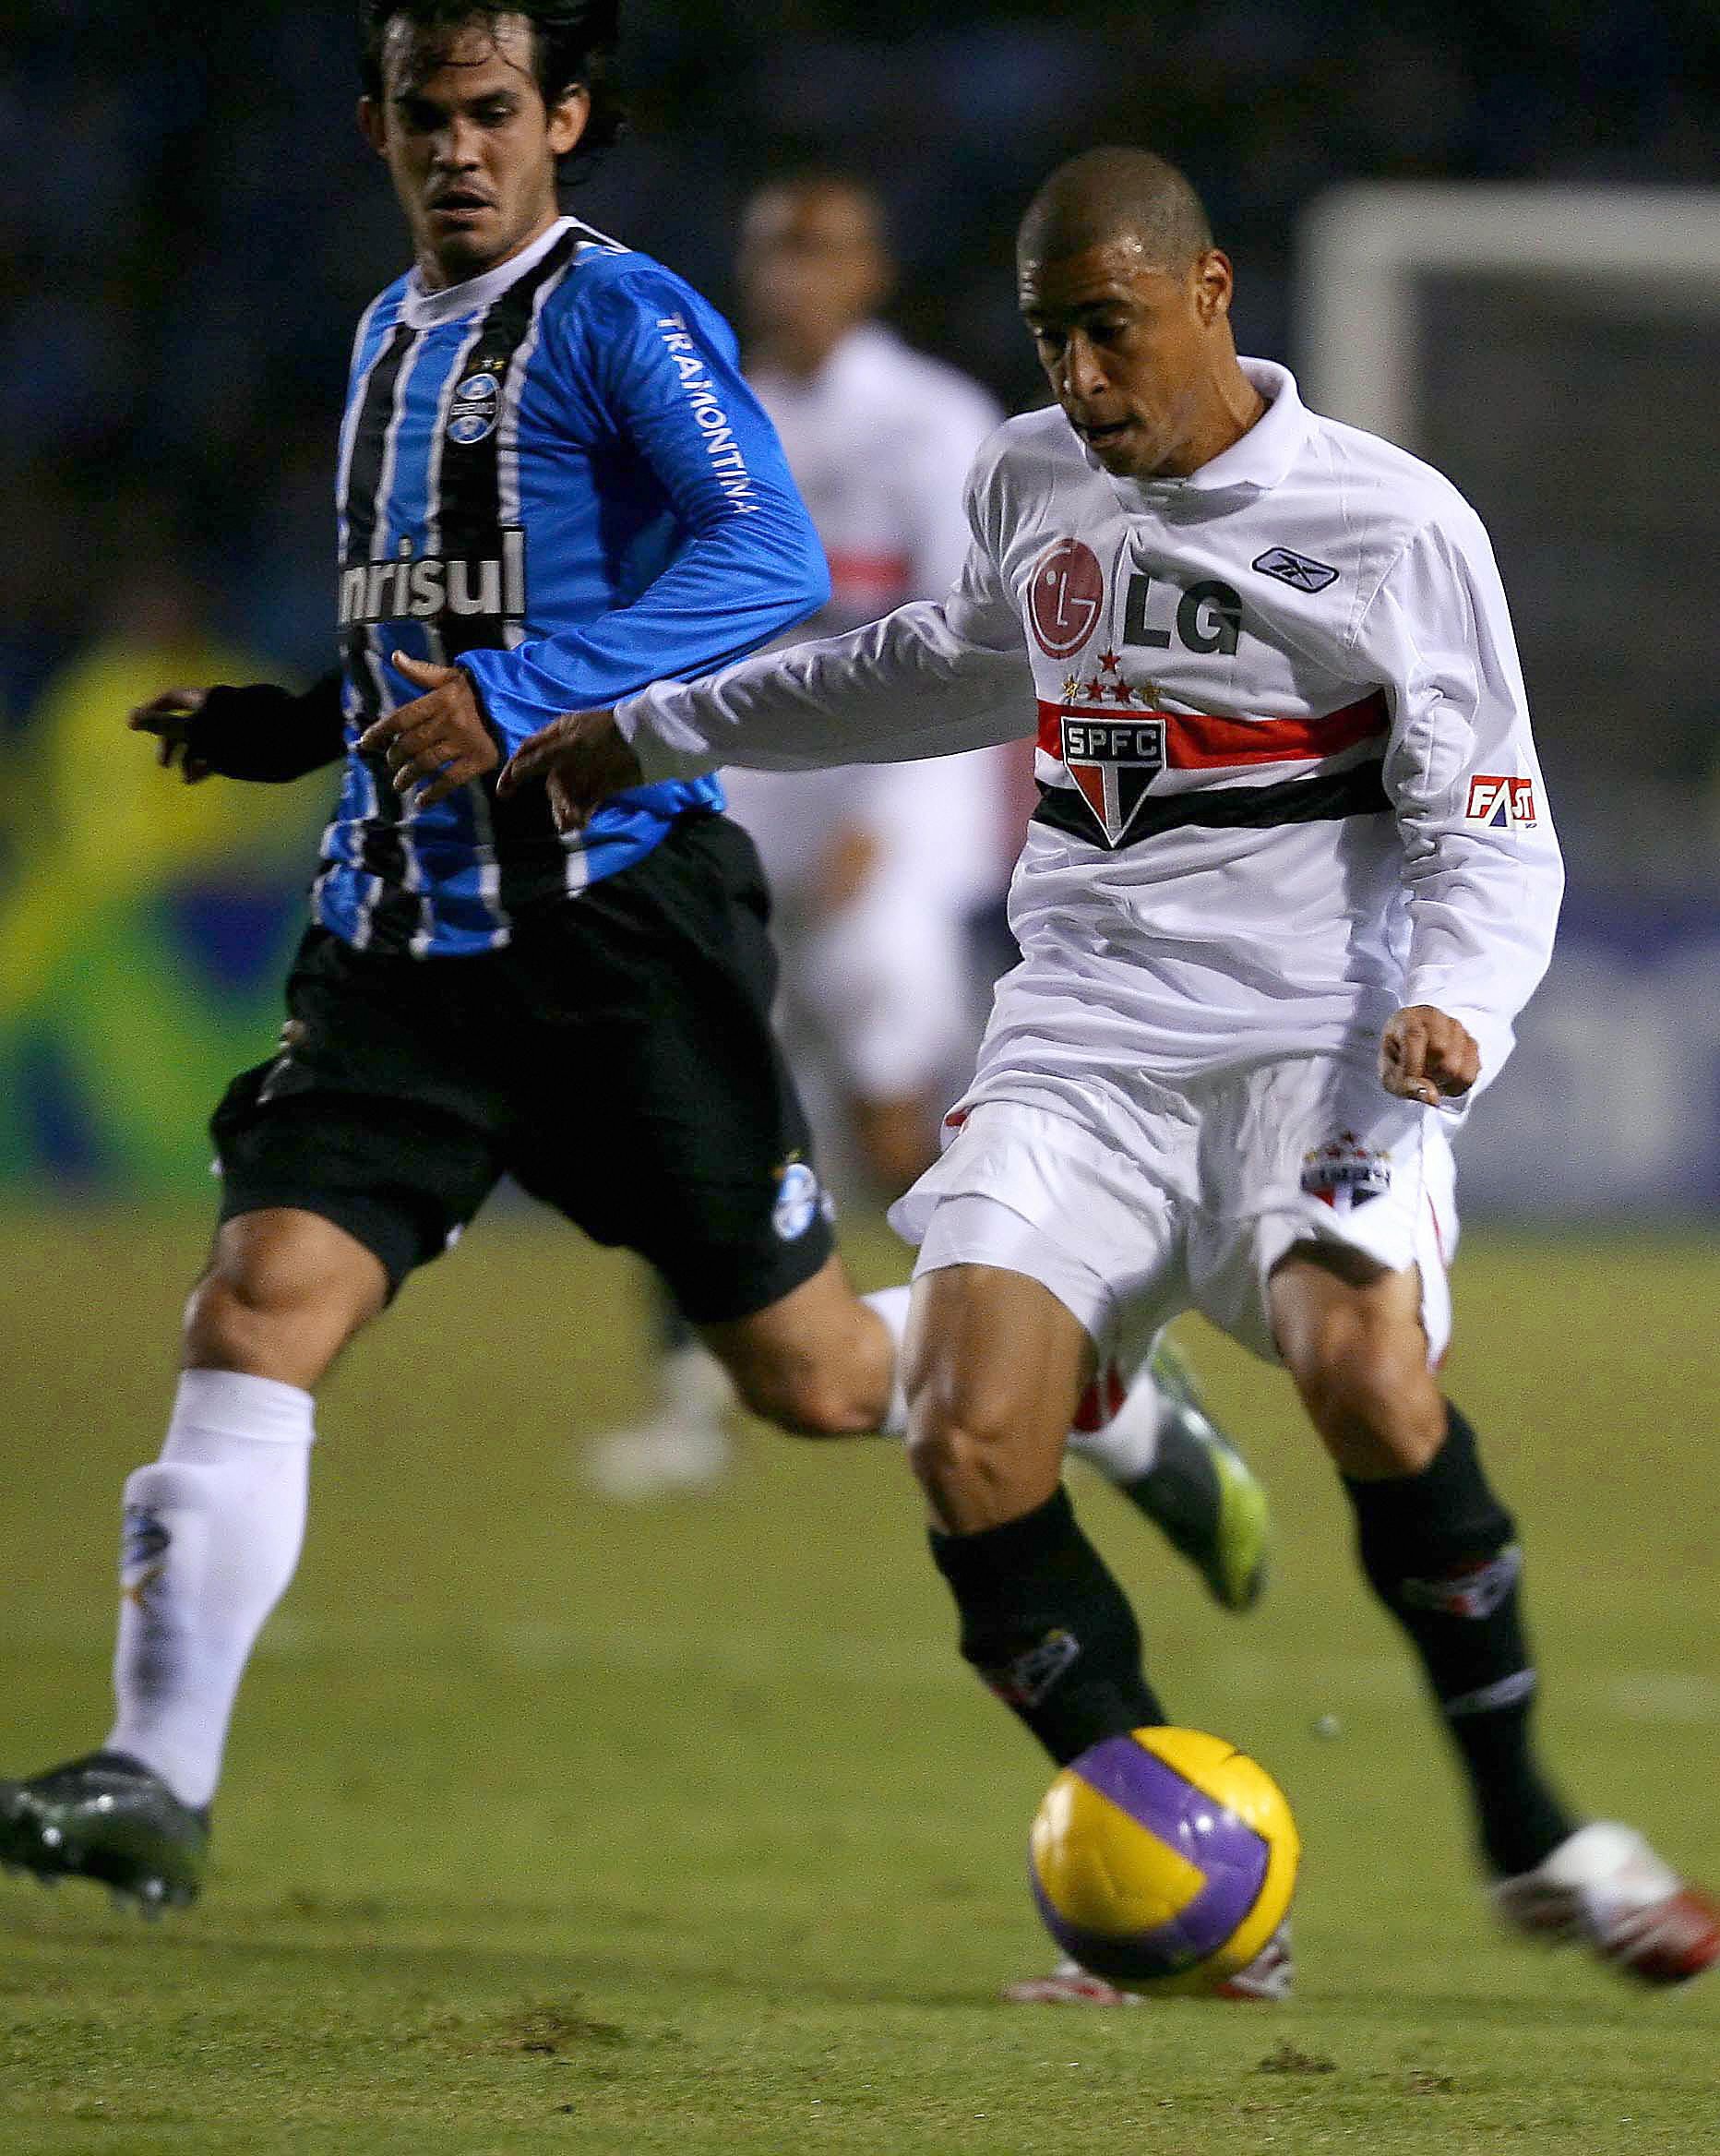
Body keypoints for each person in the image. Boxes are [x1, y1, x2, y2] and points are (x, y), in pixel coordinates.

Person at [0, 17, 1258, 1922]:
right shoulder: (381, 336)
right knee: (254, 1308)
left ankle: (1098, 1379)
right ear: (375, 128)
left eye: (493, 111)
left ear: (561, 120)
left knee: (823, 1381)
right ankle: (156, 1783)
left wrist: (511, 697)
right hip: (404, 944)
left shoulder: (617, 315)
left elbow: (761, 556)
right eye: (423, 115)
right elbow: (432, 638)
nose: (457, 147)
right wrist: (291, 729)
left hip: (615, 937)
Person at [497, 146, 1720, 1993]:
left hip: (1311, 1049)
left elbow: (1491, 829)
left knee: (1361, 1377)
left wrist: (1457, 1002)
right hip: (1076, 1044)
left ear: (1209, 294)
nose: (1079, 376)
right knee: (965, 1437)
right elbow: (933, 665)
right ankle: (1173, 1865)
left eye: (1110, 330)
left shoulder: (1388, 526)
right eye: (1051, 336)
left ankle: (1531, 1829)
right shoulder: (1029, 477)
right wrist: (647, 732)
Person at [589, 171, 1269, 1570]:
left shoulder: (934, 424)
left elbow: (972, 647)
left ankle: (1011, 1346)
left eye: (824, 247)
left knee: (889, 1103)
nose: (793, 273)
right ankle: (692, 1400)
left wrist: (882, 813)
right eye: (775, 245)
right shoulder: (714, 411)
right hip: (735, 777)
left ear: (873, 271)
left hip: (886, 790)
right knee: (689, 1083)